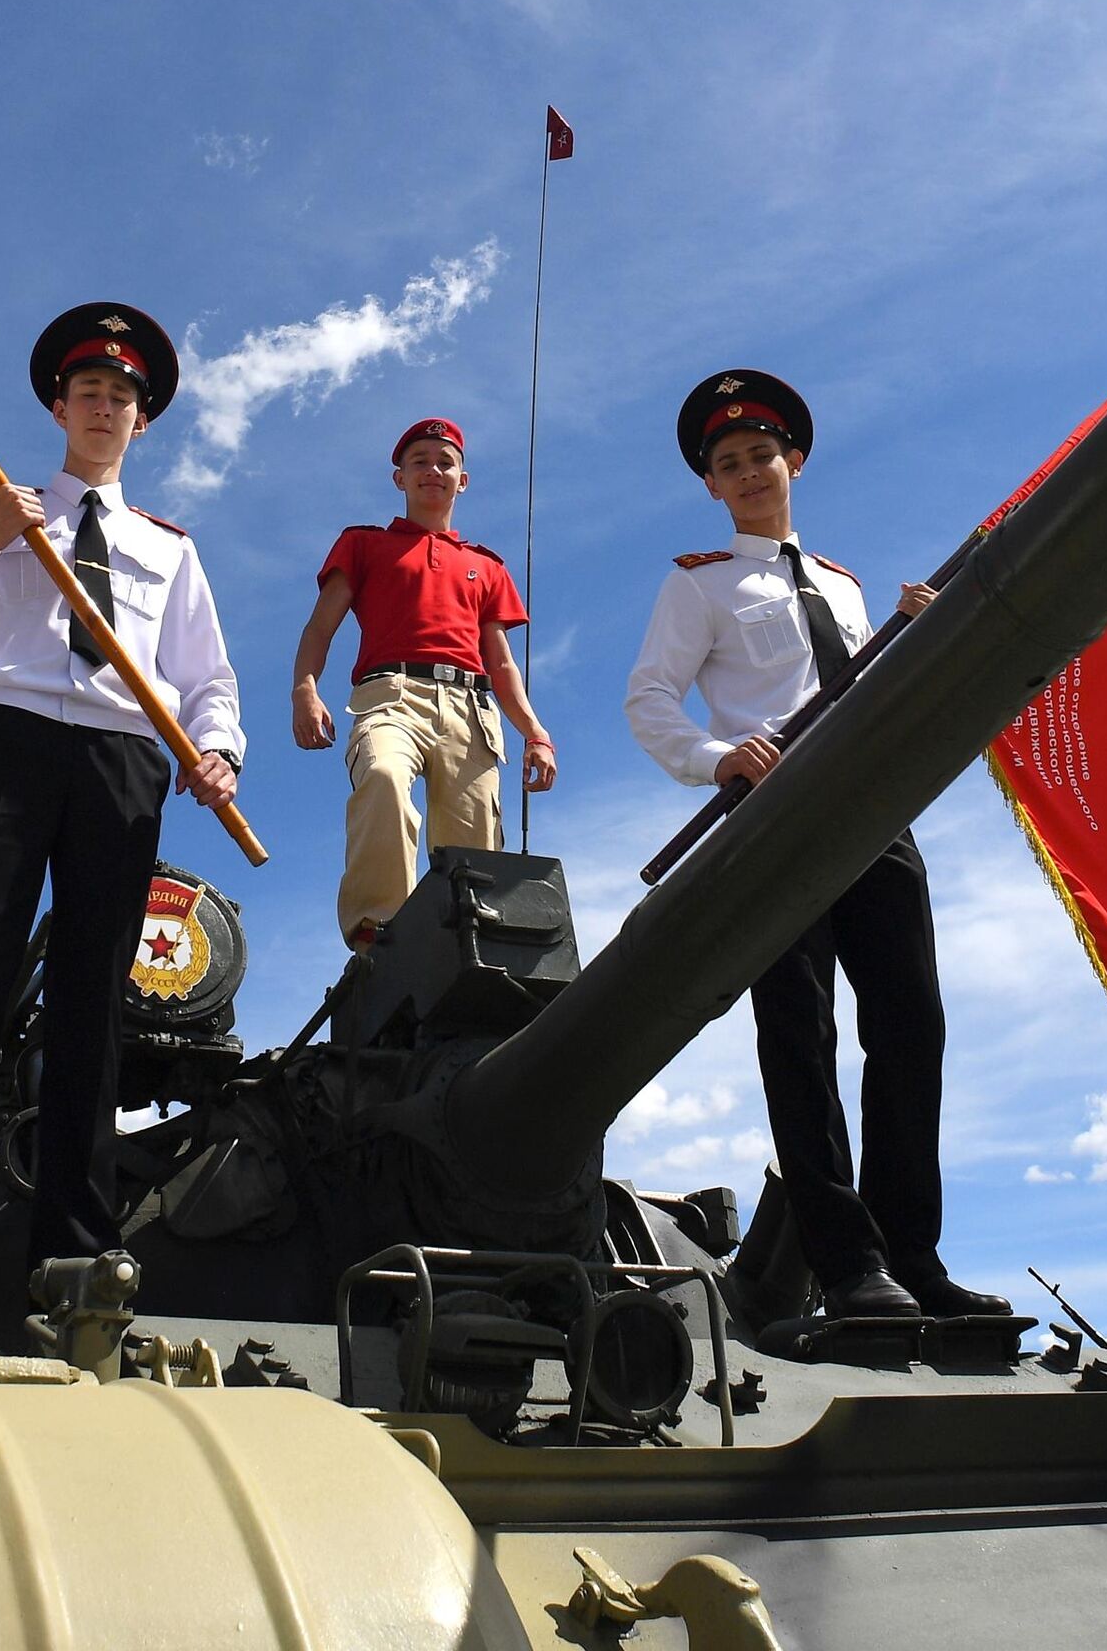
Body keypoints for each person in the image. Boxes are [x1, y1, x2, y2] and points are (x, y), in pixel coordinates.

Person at [0, 302, 244, 1316]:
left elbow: (207, 678)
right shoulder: (2, 513)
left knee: (96, 1010)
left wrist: (217, 751)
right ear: (57, 404)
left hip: (124, 764)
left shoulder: (170, 548)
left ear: (143, 421)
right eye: (89, 390)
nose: (105, 406)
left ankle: (72, 1264)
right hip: (8, 744)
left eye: (124, 396)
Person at [625, 369, 1009, 1321]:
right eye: (729, 463)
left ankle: (913, 1256)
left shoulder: (841, 584)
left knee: (911, 1028)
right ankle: (847, 1263)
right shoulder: (699, 585)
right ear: (711, 487)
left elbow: (866, 689)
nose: (750, 472)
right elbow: (649, 700)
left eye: (762, 455)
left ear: (792, 462)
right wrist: (720, 759)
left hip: (874, 812)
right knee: (801, 1038)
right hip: (776, 819)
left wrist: (909, 637)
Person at [291, 417, 557, 944]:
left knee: (472, 841)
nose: (432, 470)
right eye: (419, 462)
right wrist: (305, 688)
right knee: (385, 777)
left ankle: (467, 942)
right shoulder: (364, 545)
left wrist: (536, 732)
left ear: (463, 479)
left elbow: (500, 663)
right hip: (391, 696)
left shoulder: (486, 566)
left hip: (470, 707)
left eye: (445, 462)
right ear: (399, 478)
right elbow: (321, 626)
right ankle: (378, 931)